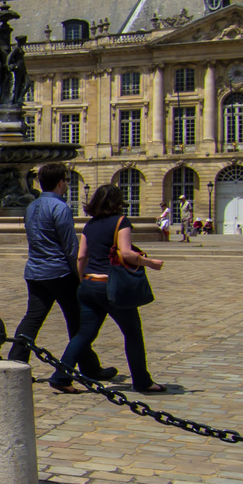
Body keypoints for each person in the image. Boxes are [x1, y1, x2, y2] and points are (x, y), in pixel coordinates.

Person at [51, 184, 166, 395]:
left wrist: (82, 279)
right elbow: (126, 253)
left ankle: (61, 376)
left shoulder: (90, 225)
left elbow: (81, 256)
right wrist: (150, 262)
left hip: (88, 285)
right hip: (110, 287)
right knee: (132, 334)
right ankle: (142, 381)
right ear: (118, 201)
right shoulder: (121, 221)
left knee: (84, 334)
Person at [16, 163, 118, 383]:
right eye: (66, 181)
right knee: (78, 322)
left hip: (35, 271)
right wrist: (81, 276)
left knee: (32, 319)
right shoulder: (60, 208)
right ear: (61, 182)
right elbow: (71, 248)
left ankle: (16, 363)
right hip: (60, 272)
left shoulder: (31, 207)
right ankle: (89, 369)